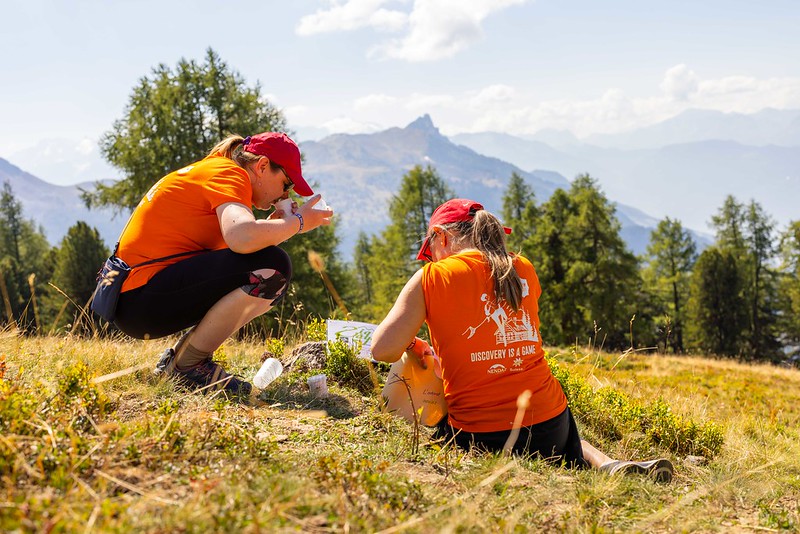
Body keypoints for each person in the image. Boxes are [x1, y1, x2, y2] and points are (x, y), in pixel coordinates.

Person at [370, 198, 673, 482]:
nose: (430, 258)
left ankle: (605, 464)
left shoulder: (432, 277)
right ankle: (607, 464)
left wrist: (412, 343)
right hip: (551, 426)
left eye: (429, 249)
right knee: (555, 417)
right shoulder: (523, 268)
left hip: (483, 436)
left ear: (442, 237)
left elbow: (382, 350)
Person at [112, 132, 333, 399]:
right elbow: (242, 237)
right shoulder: (231, 174)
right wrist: (297, 223)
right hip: (140, 299)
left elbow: (231, 254)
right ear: (262, 166)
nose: (285, 194)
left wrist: (275, 227)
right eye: (285, 183)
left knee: (266, 266)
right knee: (274, 268)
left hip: (134, 297)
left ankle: (181, 361)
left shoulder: (217, 168)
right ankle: (188, 366)